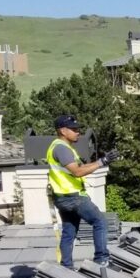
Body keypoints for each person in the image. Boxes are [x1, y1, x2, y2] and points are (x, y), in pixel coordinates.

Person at [47, 115, 117, 268]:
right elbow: (78, 172)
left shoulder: (61, 147)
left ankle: (66, 267)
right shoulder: (61, 149)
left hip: (62, 198)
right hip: (73, 197)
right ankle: (102, 260)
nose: (77, 132)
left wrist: (102, 161)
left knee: (69, 231)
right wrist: (102, 162)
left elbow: (80, 168)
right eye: (73, 129)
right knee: (100, 222)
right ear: (63, 131)